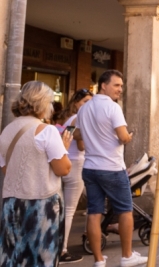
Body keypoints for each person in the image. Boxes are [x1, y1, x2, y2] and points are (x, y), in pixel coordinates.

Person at [77, 70, 147, 267]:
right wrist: (129, 136)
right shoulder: (112, 108)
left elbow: (78, 135)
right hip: (111, 168)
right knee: (125, 210)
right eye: (116, 85)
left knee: (94, 212)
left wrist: (93, 137)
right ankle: (127, 256)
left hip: (90, 167)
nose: (120, 89)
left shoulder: (84, 109)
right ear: (103, 86)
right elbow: (123, 137)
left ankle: (99, 260)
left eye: (121, 86)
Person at [0, 81, 73, 266]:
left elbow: (7, 169)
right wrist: (63, 148)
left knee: (12, 256)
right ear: (40, 102)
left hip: (11, 204)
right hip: (41, 206)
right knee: (42, 259)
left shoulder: (6, 131)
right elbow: (63, 168)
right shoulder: (46, 131)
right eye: (49, 102)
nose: (50, 107)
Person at [56, 88, 93, 264]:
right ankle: (62, 250)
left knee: (66, 209)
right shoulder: (79, 118)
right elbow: (81, 146)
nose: (88, 105)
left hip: (65, 163)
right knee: (69, 210)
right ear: (77, 102)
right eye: (85, 101)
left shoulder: (69, 117)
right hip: (76, 165)